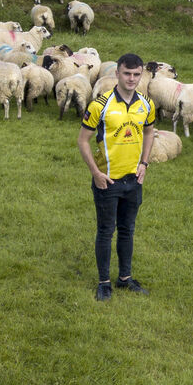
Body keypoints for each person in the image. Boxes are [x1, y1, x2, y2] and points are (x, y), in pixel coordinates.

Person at [77, 53, 156, 301]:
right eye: (126, 73)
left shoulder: (146, 104)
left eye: (136, 74)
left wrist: (144, 163)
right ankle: (104, 283)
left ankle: (125, 279)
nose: (131, 79)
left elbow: (150, 132)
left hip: (133, 181)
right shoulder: (99, 105)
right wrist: (96, 172)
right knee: (105, 231)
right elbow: (82, 141)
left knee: (127, 230)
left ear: (140, 75)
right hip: (107, 181)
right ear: (117, 74)